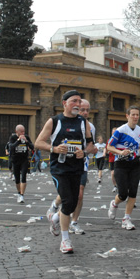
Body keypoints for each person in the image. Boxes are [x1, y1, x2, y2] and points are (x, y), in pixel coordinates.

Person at [35, 90, 95, 254]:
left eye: (79, 101)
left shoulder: (84, 123)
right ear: (64, 103)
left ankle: (55, 218)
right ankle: (65, 240)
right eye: (74, 101)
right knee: (68, 201)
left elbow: (91, 146)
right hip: (59, 168)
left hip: (77, 168)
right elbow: (38, 143)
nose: (77, 104)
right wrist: (54, 148)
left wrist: (85, 151)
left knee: (73, 202)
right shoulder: (54, 121)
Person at [106, 106, 140, 230]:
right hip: (121, 164)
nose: (135, 117)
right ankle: (114, 203)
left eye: (137, 115)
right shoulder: (120, 131)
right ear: (127, 116)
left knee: (133, 192)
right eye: (133, 115)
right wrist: (120, 152)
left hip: (135, 164)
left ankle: (126, 219)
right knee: (123, 194)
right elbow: (109, 147)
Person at [9, 124, 35, 203]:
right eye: (21, 132)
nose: (23, 133)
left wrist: (26, 141)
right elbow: (11, 147)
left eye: (24, 131)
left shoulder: (26, 137)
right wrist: (18, 141)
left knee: (23, 177)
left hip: (24, 160)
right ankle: (19, 193)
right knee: (17, 179)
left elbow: (32, 147)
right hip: (15, 160)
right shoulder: (13, 138)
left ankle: (22, 195)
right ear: (17, 131)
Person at [107, 127, 118, 193]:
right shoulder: (109, 140)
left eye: (115, 132)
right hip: (112, 159)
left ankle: (120, 185)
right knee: (112, 173)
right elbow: (107, 149)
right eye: (113, 132)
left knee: (119, 173)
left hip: (119, 159)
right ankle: (115, 186)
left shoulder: (119, 140)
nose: (114, 133)